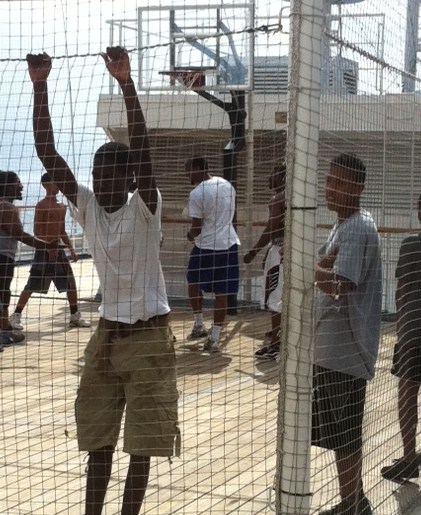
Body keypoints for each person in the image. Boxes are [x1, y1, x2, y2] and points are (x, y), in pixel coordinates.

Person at [27, 47, 180, 515]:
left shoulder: (145, 207)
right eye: (95, 173)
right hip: (108, 336)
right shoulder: (89, 207)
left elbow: (143, 146)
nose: (98, 180)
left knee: (143, 444)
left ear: (130, 177)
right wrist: (39, 85)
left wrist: (126, 82)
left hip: (151, 337)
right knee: (98, 439)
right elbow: (48, 153)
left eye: (108, 174)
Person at [312, 153, 382, 515]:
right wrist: (320, 268)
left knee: (346, 434)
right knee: (339, 436)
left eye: (340, 183)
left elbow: (340, 284)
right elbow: (328, 272)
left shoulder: (355, 227)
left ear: (358, 188)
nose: (331, 188)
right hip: (332, 352)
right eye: (329, 180)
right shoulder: (343, 224)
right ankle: (351, 501)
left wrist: (311, 270)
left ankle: (355, 503)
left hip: (346, 353)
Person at [9, 173, 90, 331]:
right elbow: (37, 230)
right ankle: (16, 315)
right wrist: (47, 246)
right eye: (55, 182)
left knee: (70, 284)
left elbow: (62, 231)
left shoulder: (62, 206)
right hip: (44, 251)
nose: (59, 185)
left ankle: (74, 316)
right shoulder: (41, 205)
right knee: (32, 284)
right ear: (46, 184)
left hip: (59, 251)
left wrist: (71, 250)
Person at [381, 195, 421, 482]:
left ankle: (410, 457)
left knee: (408, 390)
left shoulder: (410, 246)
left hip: (414, 329)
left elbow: (402, 291)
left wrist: (401, 327)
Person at [185, 156, 240, 352]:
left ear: (199, 168)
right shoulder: (228, 185)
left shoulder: (197, 193)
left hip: (206, 247)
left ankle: (199, 324)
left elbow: (197, 227)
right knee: (222, 292)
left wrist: (190, 235)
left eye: (189, 170)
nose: (187, 174)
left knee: (192, 282)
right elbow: (231, 216)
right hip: (229, 244)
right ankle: (214, 338)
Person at [0, 171, 59, 349]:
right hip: (2, 257)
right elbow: (20, 235)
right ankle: (3, 333)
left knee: (3, 293)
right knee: (3, 294)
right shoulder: (7, 208)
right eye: (18, 183)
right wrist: (47, 245)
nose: (22, 186)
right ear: (7, 186)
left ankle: (5, 328)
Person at [243, 164, 286, 360]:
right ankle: (278, 337)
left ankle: (276, 344)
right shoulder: (292, 196)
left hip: (280, 251)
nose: (270, 177)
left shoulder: (278, 198)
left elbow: (271, 228)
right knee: (280, 297)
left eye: (274, 173)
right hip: (286, 251)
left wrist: (253, 252)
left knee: (275, 299)